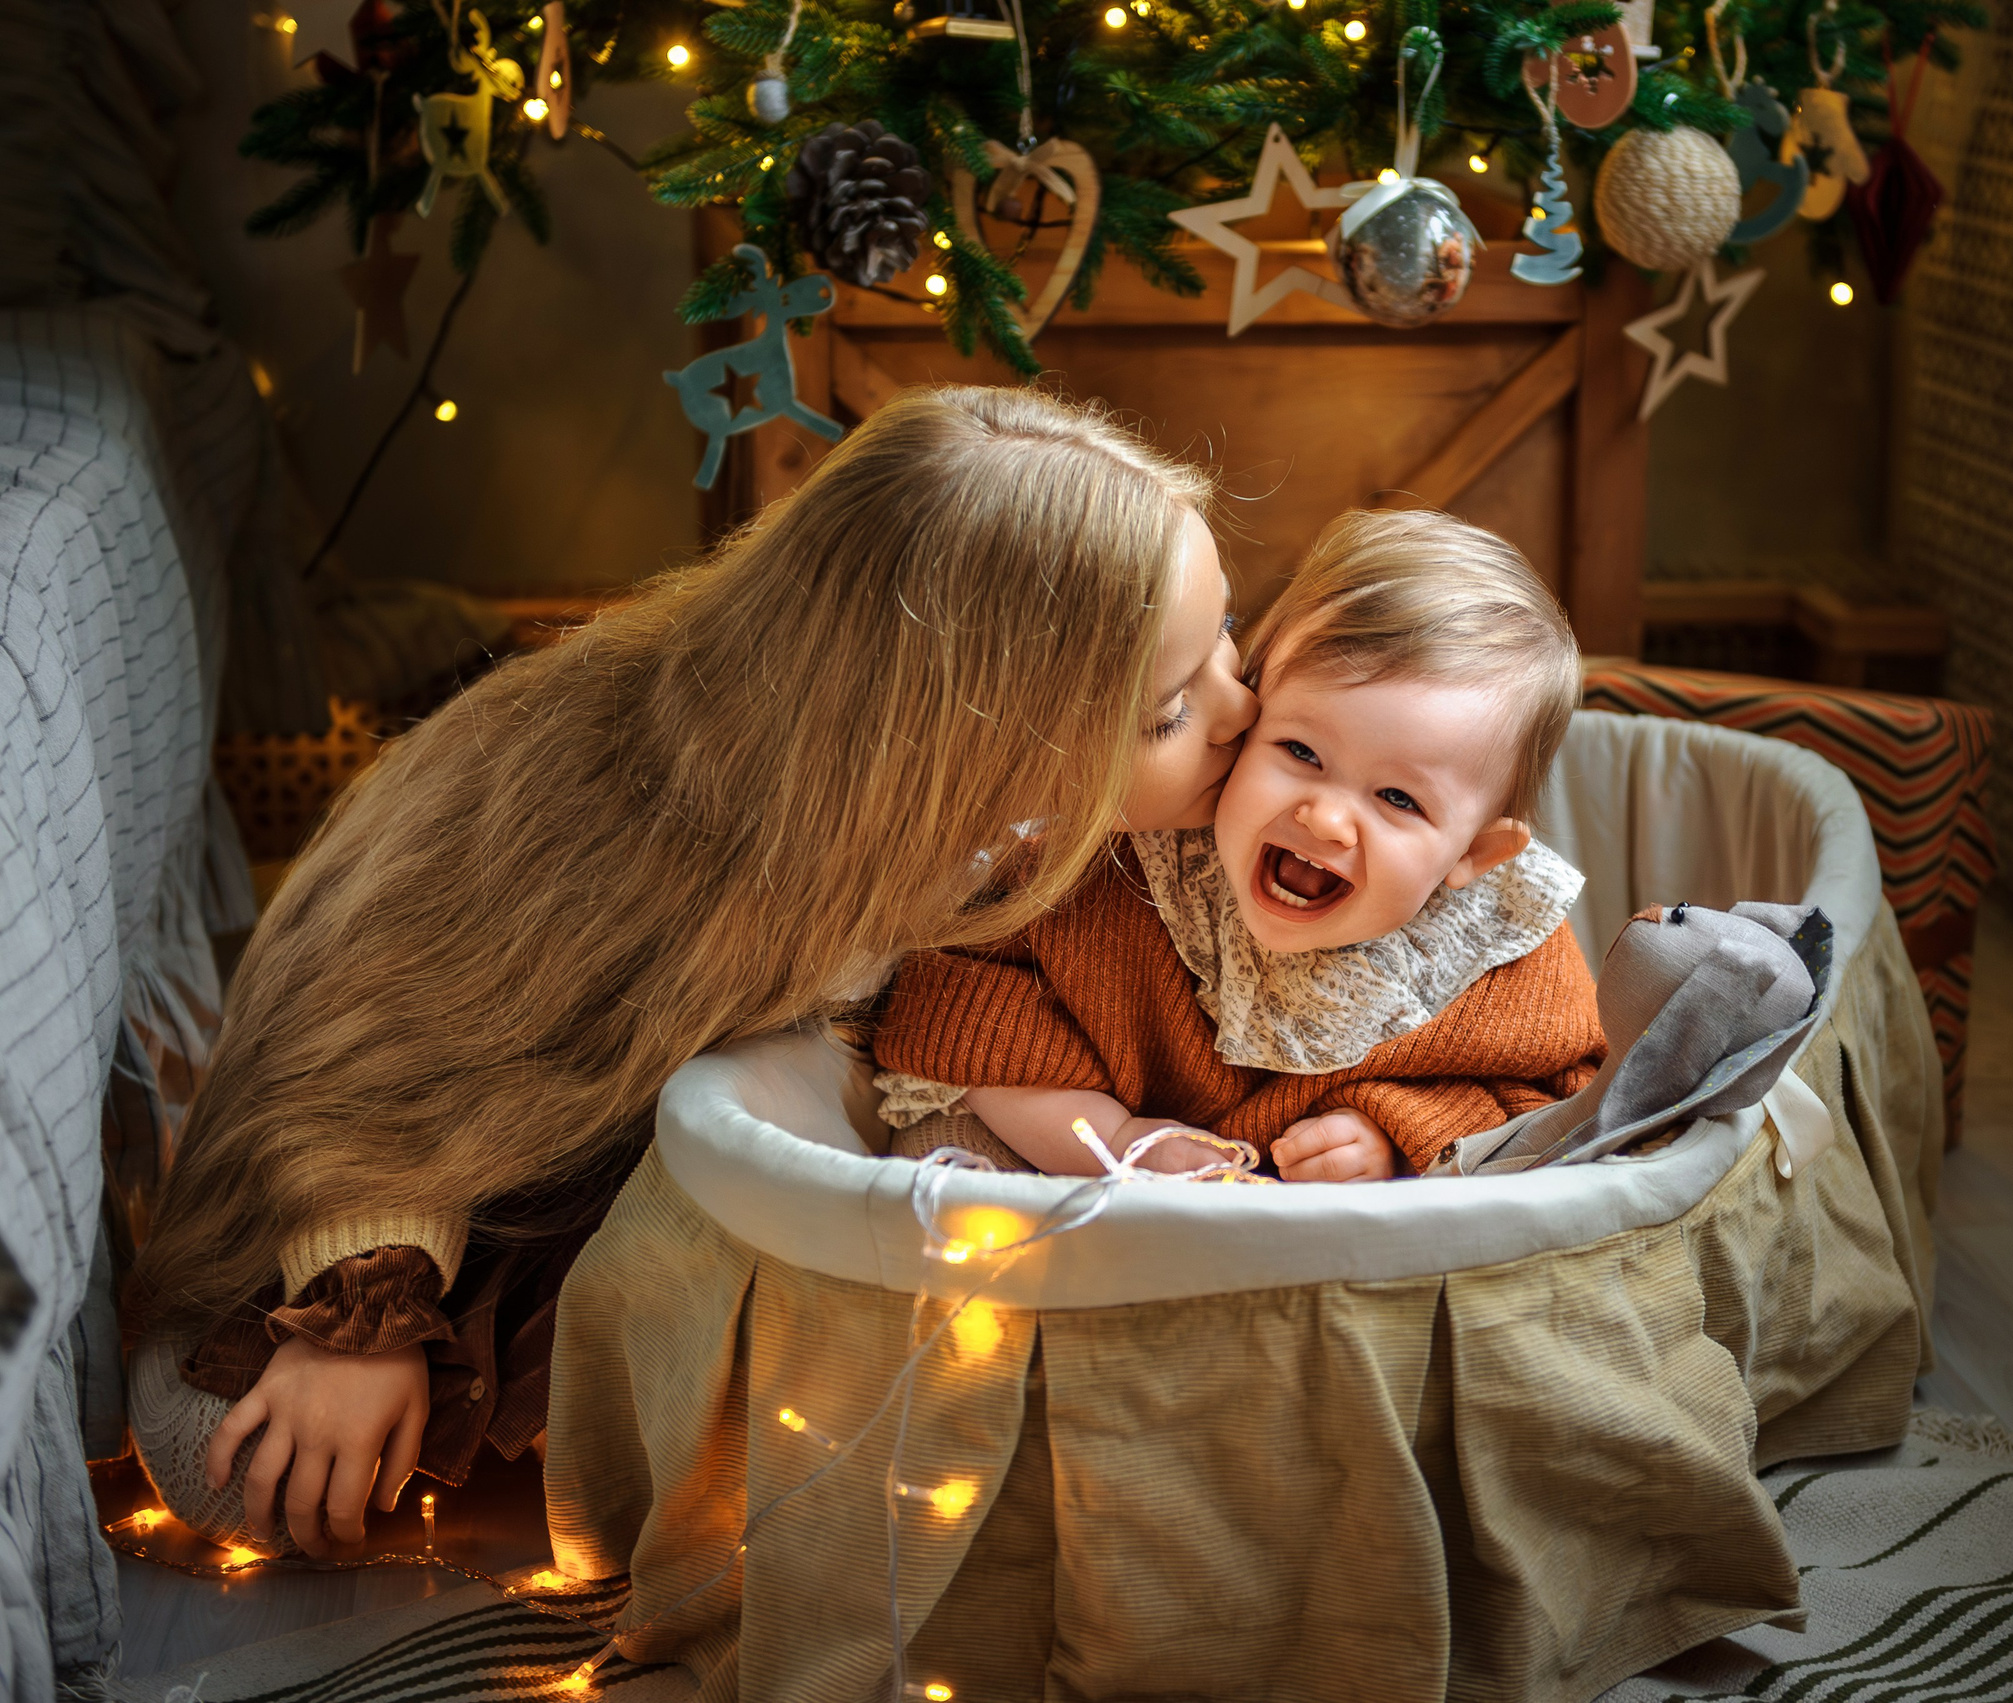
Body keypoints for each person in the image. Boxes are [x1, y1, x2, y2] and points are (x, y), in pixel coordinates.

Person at [122, 386, 1257, 1560]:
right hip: (524, 1177)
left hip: (804, 1174)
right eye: (1169, 710)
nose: (1242, 706)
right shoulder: (616, 818)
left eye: (1226, 635)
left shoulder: (1115, 821)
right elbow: (392, 1056)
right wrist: (362, 1317)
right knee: (225, 1458)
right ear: (973, 735)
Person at [870, 508, 1607, 1182]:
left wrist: (1397, 1134)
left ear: (1472, 856)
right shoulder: (1125, 857)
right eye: (1300, 751)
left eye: (1397, 799)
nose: (1324, 819)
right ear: (1249, 713)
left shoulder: (1505, 953)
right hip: (1099, 1218)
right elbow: (960, 1016)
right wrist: (1113, 1137)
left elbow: (1557, 1100)